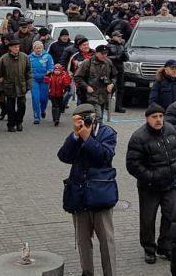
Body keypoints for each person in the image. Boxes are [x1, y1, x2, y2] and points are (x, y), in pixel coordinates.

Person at [58, 104, 120, 276]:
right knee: (83, 242)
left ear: (92, 118)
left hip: (100, 193)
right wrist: (75, 137)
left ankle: (110, 273)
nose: (79, 124)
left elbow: (104, 157)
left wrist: (88, 138)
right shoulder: (76, 134)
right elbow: (64, 156)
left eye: (82, 120)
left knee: (106, 241)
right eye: (76, 122)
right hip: (78, 194)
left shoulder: (107, 133)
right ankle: (87, 272)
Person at [127, 103, 176, 264]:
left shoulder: (170, 129)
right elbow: (132, 164)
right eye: (155, 117)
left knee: (171, 215)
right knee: (148, 219)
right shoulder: (138, 137)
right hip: (150, 187)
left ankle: (165, 246)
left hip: (171, 184)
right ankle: (149, 249)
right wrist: (150, 176)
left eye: (161, 116)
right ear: (147, 118)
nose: (159, 120)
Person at [0, 40, 32, 132]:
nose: (17, 49)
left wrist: (29, 85)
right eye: (15, 47)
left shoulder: (24, 57)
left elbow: (28, 72)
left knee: (22, 105)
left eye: (18, 47)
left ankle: (19, 122)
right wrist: (1, 88)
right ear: (10, 48)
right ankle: (11, 124)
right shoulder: (4, 58)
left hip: (21, 86)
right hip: (9, 87)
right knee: (10, 107)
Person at [77, 44, 117, 122]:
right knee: (98, 117)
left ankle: (94, 132)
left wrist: (111, 84)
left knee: (96, 118)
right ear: (96, 53)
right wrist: (87, 87)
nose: (104, 55)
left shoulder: (108, 62)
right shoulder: (87, 63)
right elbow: (78, 77)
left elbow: (115, 75)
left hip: (103, 95)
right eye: (102, 53)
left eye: (106, 53)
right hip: (90, 96)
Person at [29, 41, 54, 125]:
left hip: (44, 79)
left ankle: (42, 110)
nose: (38, 49)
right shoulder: (29, 57)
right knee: (35, 98)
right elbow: (26, 68)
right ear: (34, 49)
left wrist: (49, 71)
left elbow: (51, 66)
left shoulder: (47, 56)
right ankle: (36, 116)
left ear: (42, 48)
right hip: (34, 80)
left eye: (39, 48)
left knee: (43, 98)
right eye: (36, 48)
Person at [46, 62, 72, 126]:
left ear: (61, 70)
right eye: (55, 70)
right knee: (55, 106)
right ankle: (56, 119)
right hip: (52, 94)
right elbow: (46, 81)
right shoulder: (51, 76)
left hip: (60, 94)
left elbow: (67, 82)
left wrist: (67, 85)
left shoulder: (63, 76)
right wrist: (47, 76)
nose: (57, 72)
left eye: (58, 70)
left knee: (59, 106)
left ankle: (57, 118)